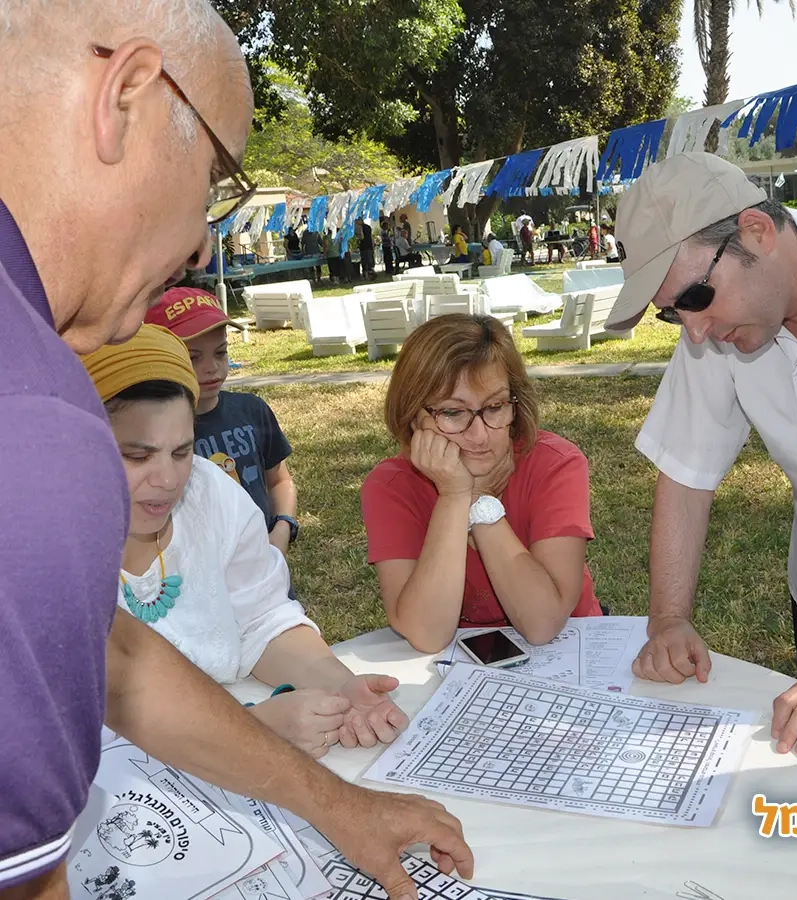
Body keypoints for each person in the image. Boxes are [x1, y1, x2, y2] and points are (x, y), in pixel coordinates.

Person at [0, 2, 472, 897]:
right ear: (126, 92)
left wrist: (336, 804)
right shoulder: (31, 418)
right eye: (217, 176)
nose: (204, 240)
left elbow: (115, 650)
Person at [602, 150, 797, 759]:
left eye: (694, 296)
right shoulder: (716, 325)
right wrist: (668, 620)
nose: (692, 330)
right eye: (671, 312)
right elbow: (686, 472)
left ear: (757, 232)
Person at [81, 324, 408, 758]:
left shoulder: (208, 491)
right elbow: (78, 734)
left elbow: (262, 619)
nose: (166, 480)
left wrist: (338, 683)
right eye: (137, 456)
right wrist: (250, 730)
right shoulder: (38, 551)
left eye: (182, 451)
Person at [361, 314, 602, 654]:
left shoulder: (556, 463)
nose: (479, 435)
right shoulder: (390, 486)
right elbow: (426, 634)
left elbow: (543, 623)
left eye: (494, 406)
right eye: (453, 413)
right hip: (456, 663)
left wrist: (480, 501)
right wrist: (455, 495)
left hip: (571, 650)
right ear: (414, 417)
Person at [145, 288, 300, 559]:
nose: (212, 368)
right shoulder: (150, 435)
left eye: (220, 353)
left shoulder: (252, 410)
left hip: (263, 569)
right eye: (193, 357)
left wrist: (283, 528)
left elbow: (279, 481)